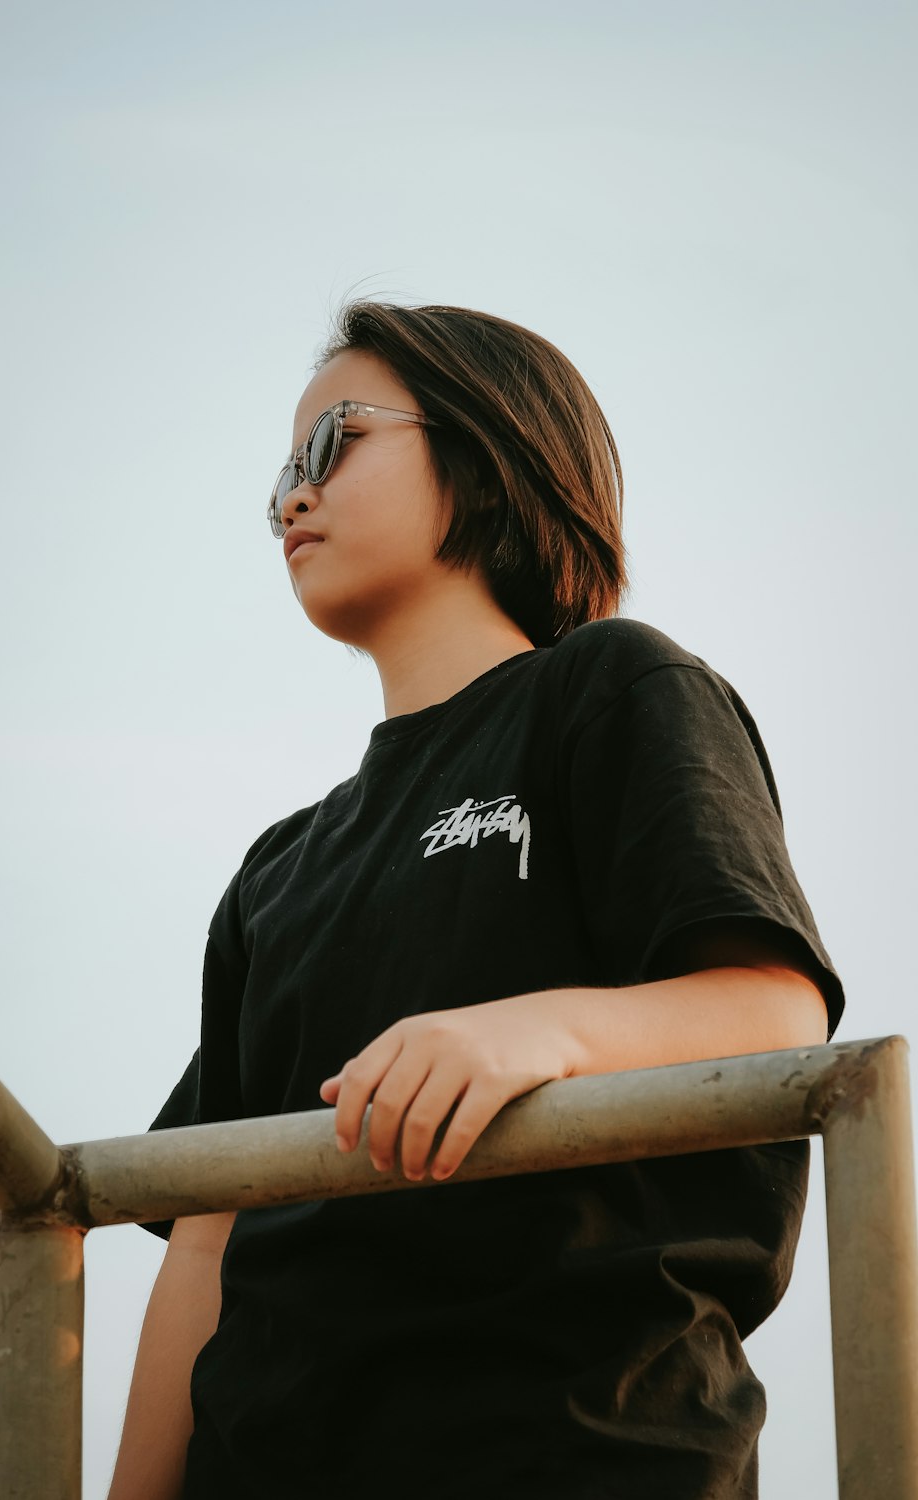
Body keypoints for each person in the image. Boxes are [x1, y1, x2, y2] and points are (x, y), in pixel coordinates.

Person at [107, 300, 844, 1500]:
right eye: (278, 472)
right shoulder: (275, 869)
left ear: (489, 451)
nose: (291, 495)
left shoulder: (615, 690)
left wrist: (535, 1031)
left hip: (573, 1454)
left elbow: (775, 1011)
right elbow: (205, 1238)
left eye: (332, 440)